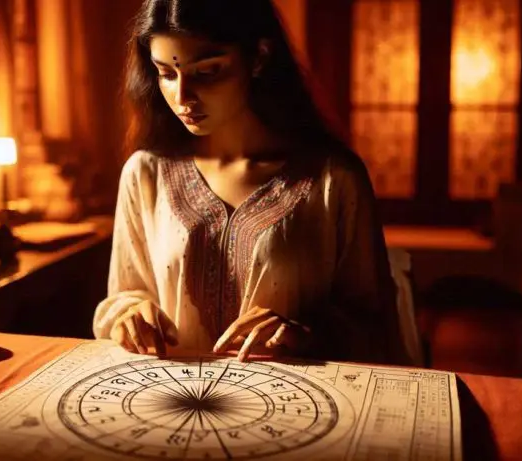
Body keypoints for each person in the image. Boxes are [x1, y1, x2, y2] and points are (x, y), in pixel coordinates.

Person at [93, 0, 416, 366]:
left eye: (208, 71)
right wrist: (130, 316)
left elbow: (374, 324)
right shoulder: (145, 174)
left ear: (259, 58)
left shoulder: (332, 179)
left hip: (298, 411)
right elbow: (124, 295)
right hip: (172, 404)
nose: (182, 97)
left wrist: (304, 332)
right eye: (167, 73)